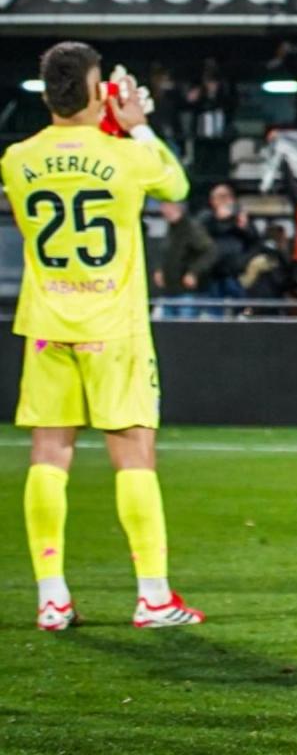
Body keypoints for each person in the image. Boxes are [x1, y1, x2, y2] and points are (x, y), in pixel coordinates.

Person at [6, 42, 204, 631]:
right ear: (100, 92)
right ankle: (152, 595)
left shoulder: (16, 159)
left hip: (46, 326)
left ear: (46, 95)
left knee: (49, 453)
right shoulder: (124, 157)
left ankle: (51, 596)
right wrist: (136, 125)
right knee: (134, 454)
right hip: (113, 328)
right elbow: (177, 187)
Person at [154, 200, 216, 319]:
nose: (163, 210)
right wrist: (160, 269)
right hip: (169, 290)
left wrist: (194, 272)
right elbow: (167, 252)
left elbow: (210, 251)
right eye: (163, 206)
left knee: (185, 329)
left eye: (167, 206)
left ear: (177, 207)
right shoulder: (171, 228)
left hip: (185, 292)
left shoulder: (191, 228)